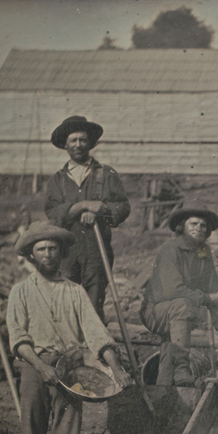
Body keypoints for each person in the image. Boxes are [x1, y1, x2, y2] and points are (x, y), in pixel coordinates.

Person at [6, 223, 132, 434]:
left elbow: (97, 334)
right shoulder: (21, 292)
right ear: (31, 255)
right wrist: (42, 368)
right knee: (32, 433)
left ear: (61, 252)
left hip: (69, 370)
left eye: (53, 248)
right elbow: (18, 337)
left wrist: (116, 368)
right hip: (34, 367)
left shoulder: (75, 292)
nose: (48, 254)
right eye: (41, 249)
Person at [42, 115, 131, 321]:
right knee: (65, 305)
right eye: (73, 140)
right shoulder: (58, 179)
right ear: (65, 144)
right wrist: (81, 206)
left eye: (82, 140)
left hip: (96, 250)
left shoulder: (106, 174)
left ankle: (95, 350)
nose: (78, 145)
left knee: (93, 307)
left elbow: (123, 207)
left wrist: (99, 211)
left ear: (90, 142)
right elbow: (52, 212)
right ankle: (70, 350)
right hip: (66, 252)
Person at [140, 202, 218, 387]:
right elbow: (172, 290)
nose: (199, 228)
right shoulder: (170, 250)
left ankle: (164, 391)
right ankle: (181, 368)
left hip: (176, 312)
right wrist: (207, 299)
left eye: (203, 225)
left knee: (170, 347)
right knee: (183, 306)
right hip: (155, 311)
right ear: (182, 226)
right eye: (194, 224)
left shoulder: (203, 251)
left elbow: (213, 288)